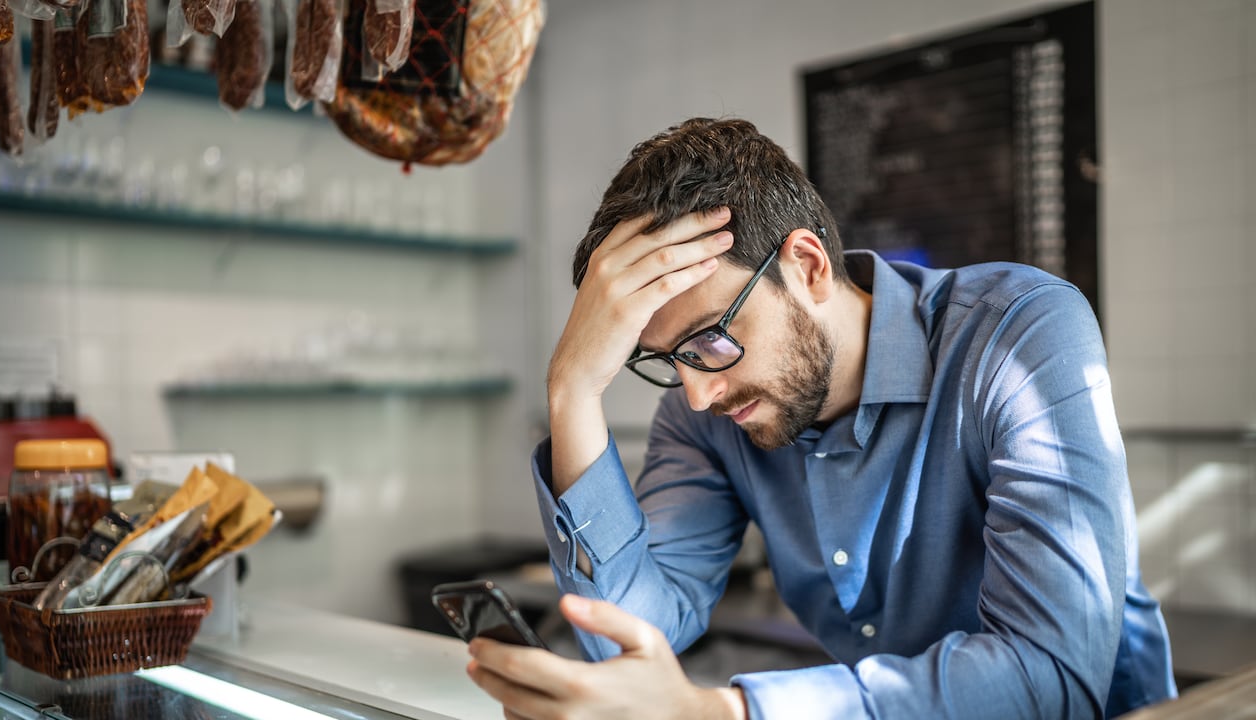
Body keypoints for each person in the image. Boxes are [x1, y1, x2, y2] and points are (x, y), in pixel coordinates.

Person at [465, 117, 1177, 719]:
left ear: (806, 268)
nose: (696, 395)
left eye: (711, 339)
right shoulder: (703, 417)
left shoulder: (1017, 334)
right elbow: (629, 633)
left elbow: (1051, 674)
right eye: (663, 359)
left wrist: (725, 712)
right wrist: (573, 391)